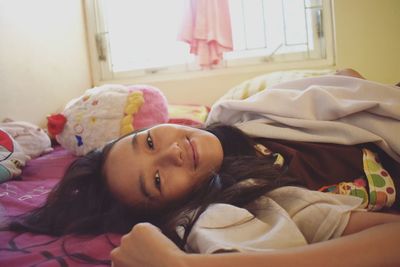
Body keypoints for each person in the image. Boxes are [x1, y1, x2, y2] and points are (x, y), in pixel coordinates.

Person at [6, 69, 400, 266]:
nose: (170, 153)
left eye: (148, 141)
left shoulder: (241, 113)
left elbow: (345, 84)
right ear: (171, 206)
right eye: (157, 180)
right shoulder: (258, 201)